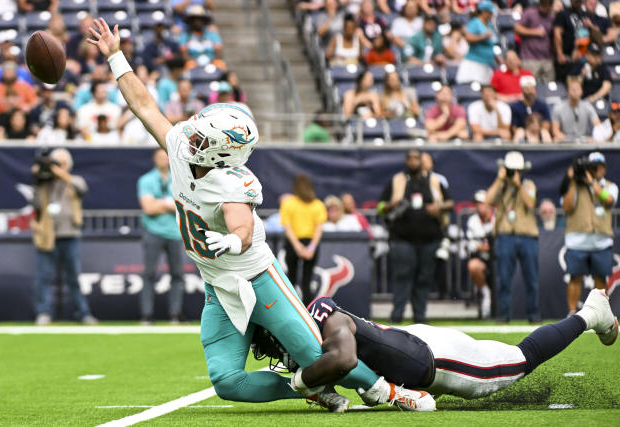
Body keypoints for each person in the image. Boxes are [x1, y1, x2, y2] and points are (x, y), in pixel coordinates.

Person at [87, 17, 419, 411]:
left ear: (222, 153)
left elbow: (241, 225)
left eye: (203, 138)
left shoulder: (232, 182)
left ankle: (388, 391)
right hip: (219, 286)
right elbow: (144, 104)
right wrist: (116, 57)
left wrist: (232, 239)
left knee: (319, 356)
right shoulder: (179, 146)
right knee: (228, 381)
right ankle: (308, 389)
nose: (190, 135)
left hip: (257, 279)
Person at [253, 288, 617, 407]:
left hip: (437, 358)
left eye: (271, 340)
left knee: (521, 359)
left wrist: (301, 382)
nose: (275, 350)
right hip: (411, 347)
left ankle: (590, 313)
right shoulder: (317, 321)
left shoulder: (324, 315)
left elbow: (345, 358)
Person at [378, 149, 453, 323]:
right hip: (402, 239)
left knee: (424, 279)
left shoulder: (434, 181)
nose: (413, 162)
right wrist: (392, 204)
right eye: (409, 158)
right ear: (405, 161)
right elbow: (380, 207)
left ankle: (420, 318)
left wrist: (439, 207)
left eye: (416, 158)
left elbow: (451, 202)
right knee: (402, 278)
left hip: (430, 239)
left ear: (421, 161)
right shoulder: (397, 180)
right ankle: (396, 317)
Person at [30, 148, 96, 326]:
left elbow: (82, 189)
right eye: (55, 163)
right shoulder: (44, 183)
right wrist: (37, 179)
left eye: (61, 163)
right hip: (47, 235)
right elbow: (35, 204)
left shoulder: (74, 180)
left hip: (70, 234)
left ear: (68, 165)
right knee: (44, 276)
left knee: (74, 278)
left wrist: (61, 173)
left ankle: (83, 313)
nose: (56, 167)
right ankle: (44, 312)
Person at [485, 151, 540, 323]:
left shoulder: (529, 184)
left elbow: (531, 203)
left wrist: (518, 185)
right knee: (504, 279)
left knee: (531, 279)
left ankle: (533, 314)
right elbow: (487, 200)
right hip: (505, 235)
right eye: (511, 170)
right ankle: (503, 315)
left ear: (522, 171)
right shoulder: (501, 186)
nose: (514, 173)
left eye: (517, 170)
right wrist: (500, 179)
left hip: (527, 236)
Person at [562, 152, 617, 315]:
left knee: (600, 278)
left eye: (598, 166)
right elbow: (566, 207)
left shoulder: (609, 186)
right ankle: (572, 313)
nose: (596, 169)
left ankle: (600, 314)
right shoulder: (575, 186)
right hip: (577, 241)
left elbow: (609, 201)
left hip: (601, 241)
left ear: (604, 168)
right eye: (592, 166)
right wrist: (573, 182)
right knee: (575, 278)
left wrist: (592, 182)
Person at [137, 149, 185, 324]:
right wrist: (170, 204)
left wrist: (160, 203)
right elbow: (148, 208)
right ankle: (147, 314)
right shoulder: (147, 180)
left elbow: (185, 206)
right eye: (161, 157)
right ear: (154, 160)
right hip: (153, 231)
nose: (164, 160)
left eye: (166, 157)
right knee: (149, 274)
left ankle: (175, 314)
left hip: (176, 233)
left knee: (177, 274)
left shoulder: (180, 179)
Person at [280, 175, 327, 305]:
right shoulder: (318, 205)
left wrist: (297, 246)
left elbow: (288, 228)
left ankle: (290, 309)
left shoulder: (288, 203)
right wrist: (311, 248)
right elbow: (318, 230)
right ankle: (309, 313)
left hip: (293, 243)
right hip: (310, 243)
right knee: (307, 281)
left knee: (291, 280)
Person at [553, 0, 603, 84]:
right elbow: (557, 33)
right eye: (575, 1)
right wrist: (560, 53)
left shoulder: (587, 15)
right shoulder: (563, 14)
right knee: (570, 83)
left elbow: (598, 36)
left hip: (585, 57)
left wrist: (591, 26)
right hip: (569, 58)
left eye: (579, 1)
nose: (577, 2)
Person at [466, 190, 494, 318]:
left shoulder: (497, 218)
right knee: (473, 266)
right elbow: (471, 245)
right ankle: (485, 293)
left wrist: (488, 247)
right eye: (477, 204)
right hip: (483, 259)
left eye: (482, 203)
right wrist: (487, 247)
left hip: (499, 259)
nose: (479, 206)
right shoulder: (472, 221)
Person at [456, 0, 498, 85]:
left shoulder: (489, 24)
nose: (491, 15)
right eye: (490, 12)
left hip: (487, 63)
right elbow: (468, 38)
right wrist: (483, 36)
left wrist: (496, 57)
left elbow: (490, 44)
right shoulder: (475, 22)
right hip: (474, 63)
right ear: (483, 11)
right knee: (472, 89)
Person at [514, 0, 554, 83]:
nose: (546, 7)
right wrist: (534, 32)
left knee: (548, 89)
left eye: (548, 5)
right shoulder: (530, 13)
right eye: (544, 5)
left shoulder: (551, 17)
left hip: (547, 58)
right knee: (529, 86)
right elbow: (517, 28)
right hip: (530, 58)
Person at [552, 78, 600, 143]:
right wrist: (566, 139)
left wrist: (593, 138)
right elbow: (555, 130)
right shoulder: (558, 108)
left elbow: (598, 125)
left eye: (577, 89)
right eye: (573, 89)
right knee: (555, 139)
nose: (575, 92)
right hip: (565, 139)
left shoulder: (587, 106)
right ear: (568, 91)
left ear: (581, 91)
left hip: (584, 139)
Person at [179, 4, 225, 70]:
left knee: (220, 64)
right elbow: (184, 54)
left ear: (204, 20)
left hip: (211, 64)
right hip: (194, 66)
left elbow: (218, 52)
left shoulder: (213, 35)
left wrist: (212, 62)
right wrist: (194, 63)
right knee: (188, 65)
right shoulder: (185, 36)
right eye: (194, 19)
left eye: (200, 19)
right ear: (190, 21)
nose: (197, 21)